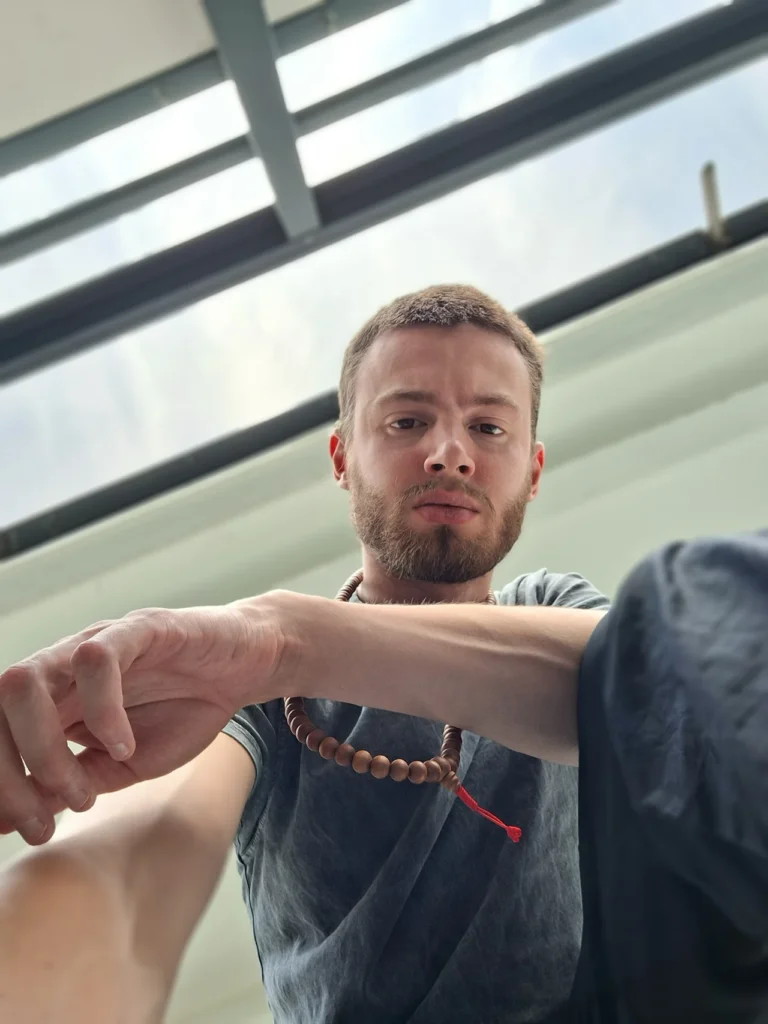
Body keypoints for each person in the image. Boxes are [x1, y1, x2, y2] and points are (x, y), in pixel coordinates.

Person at [0, 287, 765, 1024]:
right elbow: (126, 867)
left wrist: (284, 637)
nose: (449, 454)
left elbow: (649, 685)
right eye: (406, 421)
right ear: (342, 457)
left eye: (489, 428)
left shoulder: (548, 606)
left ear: (533, 472)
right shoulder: (254, 696)